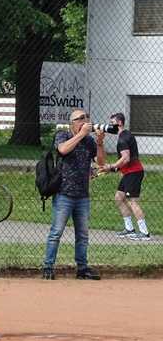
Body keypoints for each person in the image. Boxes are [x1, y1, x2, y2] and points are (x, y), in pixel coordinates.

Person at [42, 109, 105, 280]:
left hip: (82, 195)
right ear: (72, 123)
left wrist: (99, 143)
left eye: (86, 118)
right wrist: (80, 135)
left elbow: (101, 163)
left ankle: (82, 268)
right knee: (56, 232)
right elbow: (62, 150)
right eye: (80, 119)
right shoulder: (63, 135)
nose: (84, 121)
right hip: (64, 193)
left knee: (83, 235)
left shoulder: (89, 141)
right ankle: (48, 267)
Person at [101, 112, 150, 241]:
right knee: (119, 197)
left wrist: (111, 166)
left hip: (133, 172)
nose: (110, 127)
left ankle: (144, 233)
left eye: (112, 124)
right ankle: (129, 229)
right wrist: (113, 169)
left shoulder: (123, 138)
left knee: (132, 201)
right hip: (129, 172)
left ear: (120, 123)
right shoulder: (125, 135)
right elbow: (125, 161)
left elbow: (126, 158)